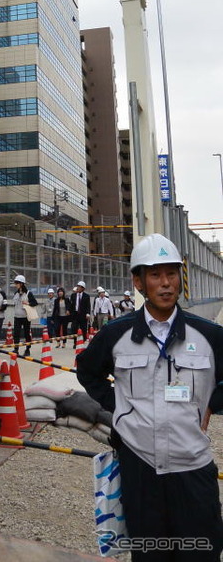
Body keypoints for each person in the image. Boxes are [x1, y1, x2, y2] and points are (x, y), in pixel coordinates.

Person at [77, 233, 223, 561]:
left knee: (201, 552)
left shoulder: (209, 336)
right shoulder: (116, 334)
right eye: (155, 275)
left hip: (193, 468)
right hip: (140, 469)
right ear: (139, 281)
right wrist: (122, 407)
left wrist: (212, 403)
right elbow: (87, 371)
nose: (166, 283)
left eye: (171, 273)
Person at [12, 274, 38, 357]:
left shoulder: (28, 293)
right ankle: (16, 349)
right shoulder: (15, 293)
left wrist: (28, 303)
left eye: (17, 283)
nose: (15, 285)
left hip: (26, 317)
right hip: (17, 317)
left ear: (21, 284)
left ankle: (27, 349)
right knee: (16, 333)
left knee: (27, 333)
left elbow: (35, 303)